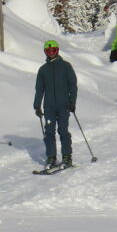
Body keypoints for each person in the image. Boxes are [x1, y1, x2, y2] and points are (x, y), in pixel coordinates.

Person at [33, 39, 78, 170]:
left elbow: (73, 85)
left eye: (53, 50)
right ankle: (51, 157)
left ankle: (67, 157)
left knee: (63, 130)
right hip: (49, 107)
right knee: (49, 132)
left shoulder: (66, 66)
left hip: (64, 105)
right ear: (45, 52)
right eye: (48, 51)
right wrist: (37, 105)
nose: (51, 53)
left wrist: (72, 101)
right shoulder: (43, 70)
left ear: (57, 51)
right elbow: (39, 89)